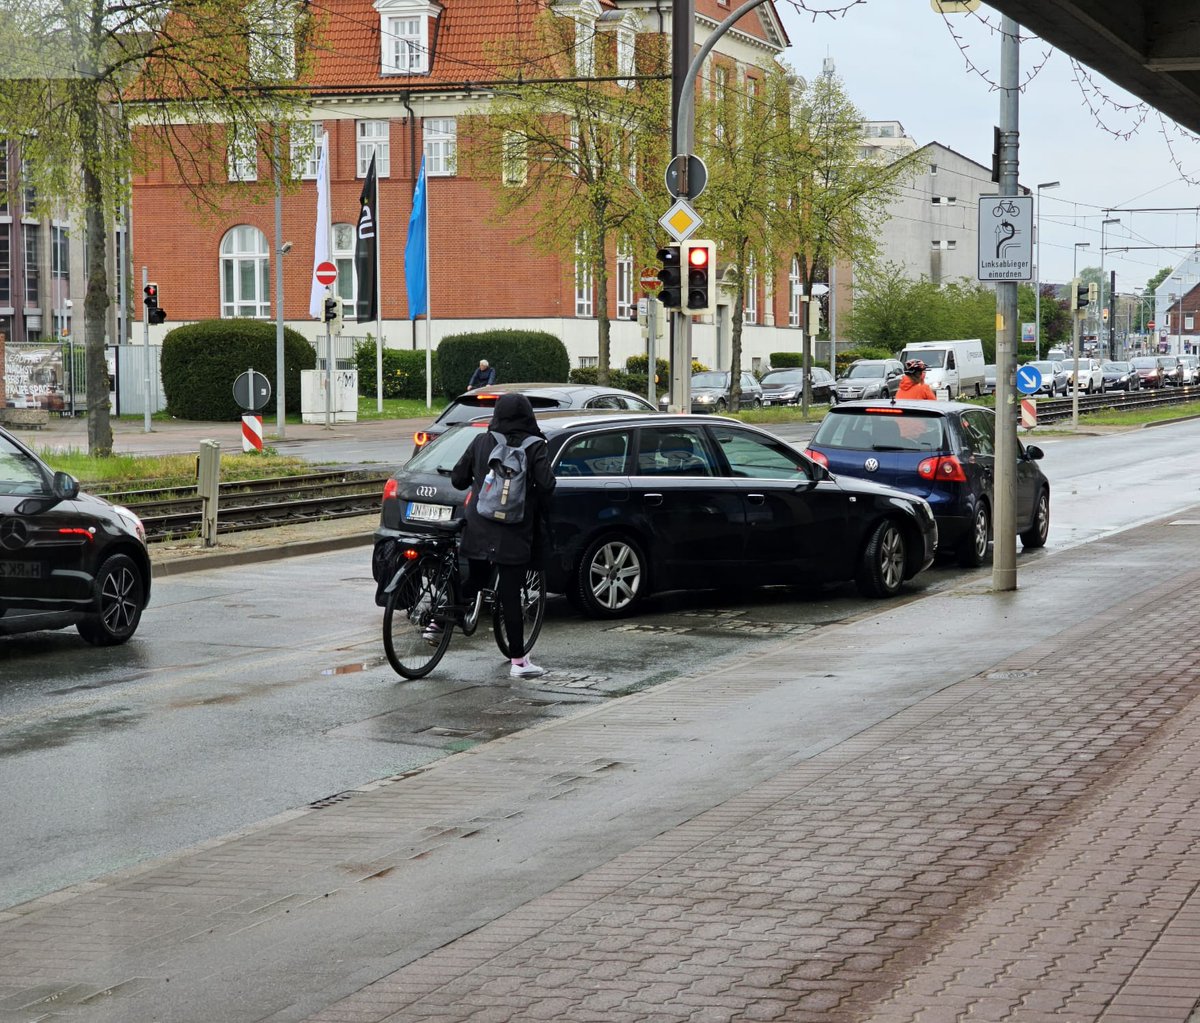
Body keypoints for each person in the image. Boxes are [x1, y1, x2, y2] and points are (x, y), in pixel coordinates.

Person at [451, 392, 556, 678]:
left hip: (479, 526)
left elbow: (458, 480)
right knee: (510, 595)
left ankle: (440, 621)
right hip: (515, 529)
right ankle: (519, 663)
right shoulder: (536, 446)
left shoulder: (482, 441)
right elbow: (547, 485)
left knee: (474, 579)